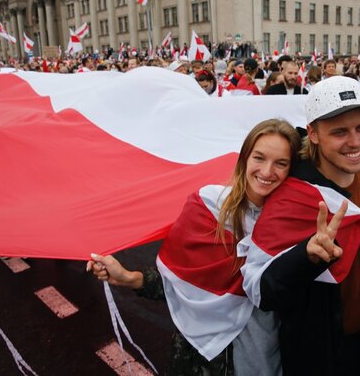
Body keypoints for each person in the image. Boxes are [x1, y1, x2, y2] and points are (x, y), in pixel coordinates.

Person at [88, 119, 301, 376]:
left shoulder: (295, 223)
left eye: (281, 163)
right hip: (201, 362)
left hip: (265, 360)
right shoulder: (208, 207)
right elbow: (178, 283)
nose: (267, 172)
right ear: (244, 158)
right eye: (259, 158)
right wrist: (128, 278)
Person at [240, 76, 360, 376]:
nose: (356, 142)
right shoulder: (291, 198)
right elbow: (260, 290)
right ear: (314, 134)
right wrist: (305, 257)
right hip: (316, 353)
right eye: (340, 132)